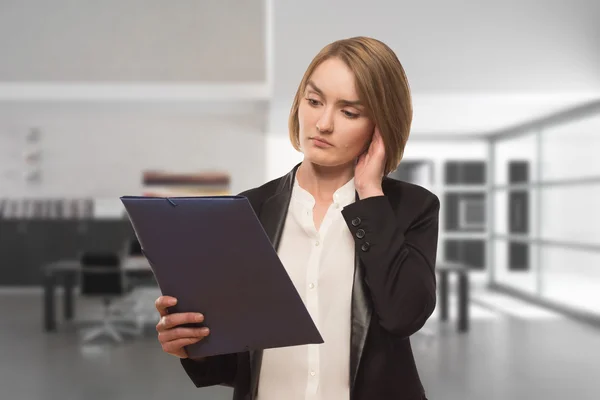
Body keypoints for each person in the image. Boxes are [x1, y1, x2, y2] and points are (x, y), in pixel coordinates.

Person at [154, 36, 440, 400]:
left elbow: (405, 316)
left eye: (349, 112)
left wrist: (369, 194)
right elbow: (229, 365)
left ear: (381, 125)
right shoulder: (247, 211)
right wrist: (188, 344)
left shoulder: (411, 208)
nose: (322, 124)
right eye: (314, 101)